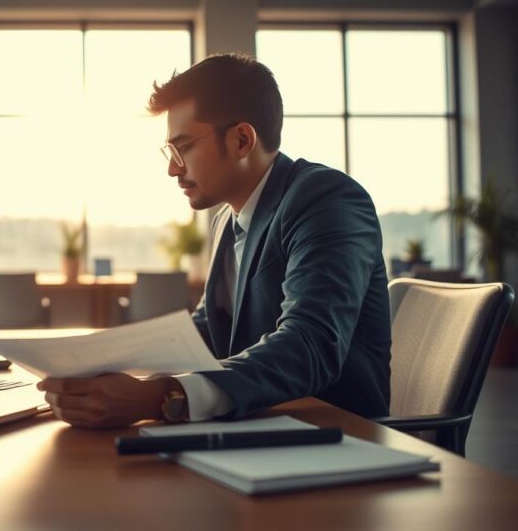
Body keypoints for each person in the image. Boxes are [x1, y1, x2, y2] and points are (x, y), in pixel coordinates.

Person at [37, 53, 392, 428]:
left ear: (242, 140)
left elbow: (309, 344)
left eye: (184, 147)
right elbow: (206, 331)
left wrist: (163, 397)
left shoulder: (326, 199)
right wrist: (100, 364)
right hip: (261, 426)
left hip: (338, 438)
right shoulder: (228, 219)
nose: (173, 168)